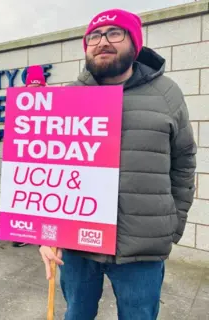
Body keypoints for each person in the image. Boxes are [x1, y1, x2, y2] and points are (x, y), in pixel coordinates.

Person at [39, 9, 196, 320]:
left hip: (142, 248)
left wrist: (171, 226)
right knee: (77, 314)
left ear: (134, 43)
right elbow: (47, 173)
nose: (102, 42)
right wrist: (47, 233)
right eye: (94, 36)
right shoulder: (68, 98)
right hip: (78, 245)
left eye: (114, 33)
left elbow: (184, 163)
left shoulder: (167, 94)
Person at [12, 65, 47, 248]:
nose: (34, 93)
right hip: (28, 162)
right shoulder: (21, 103)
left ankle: (45, 238)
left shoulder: (55, 100)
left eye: (38, 88)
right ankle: (26, 234)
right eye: (31, 89)